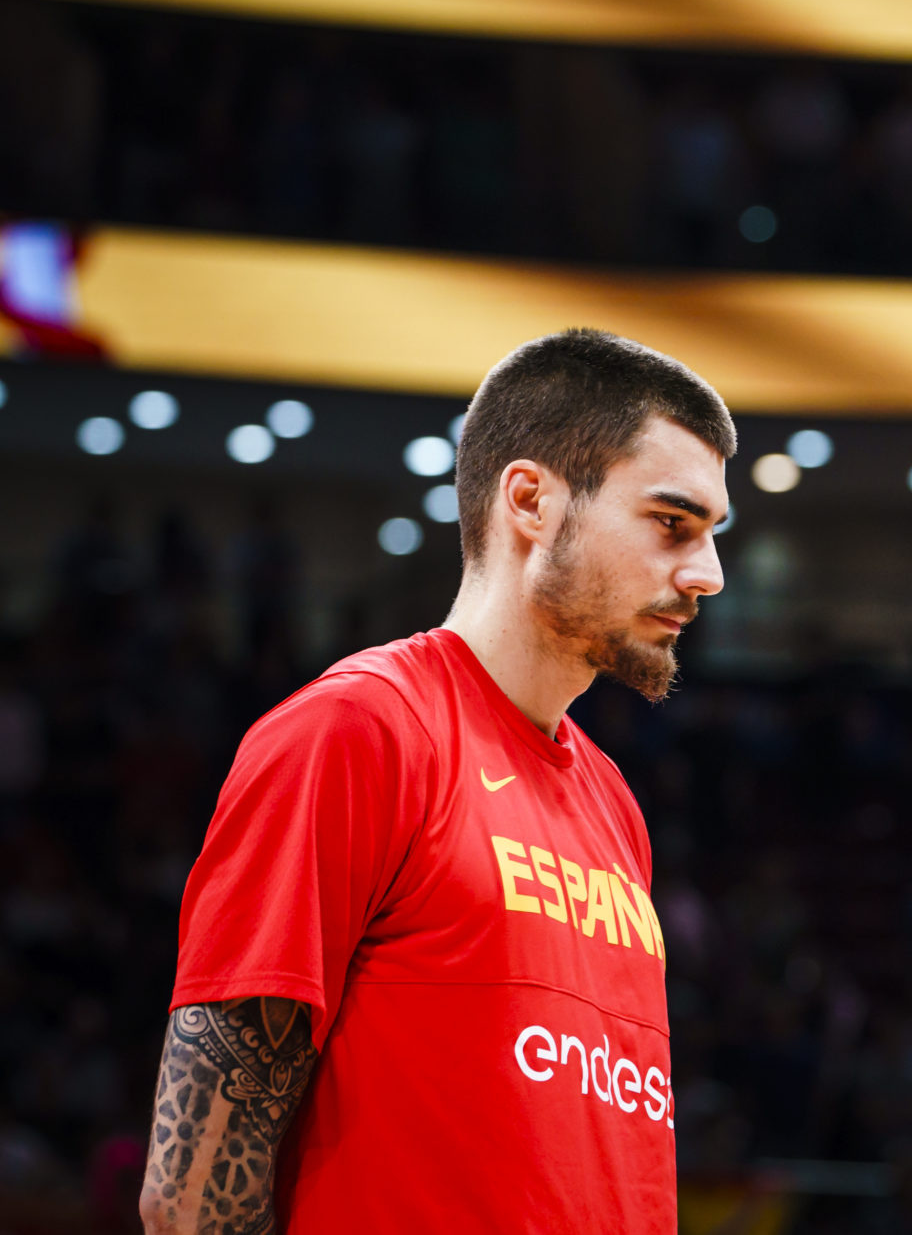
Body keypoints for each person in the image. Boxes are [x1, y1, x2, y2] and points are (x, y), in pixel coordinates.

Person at [138, 330, 735, 1235]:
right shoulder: (358, 733)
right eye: (671, 523)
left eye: (710, 536)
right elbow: (192, 1196)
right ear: (531, 500)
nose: (706, 575)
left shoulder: (615, 803)